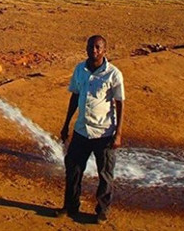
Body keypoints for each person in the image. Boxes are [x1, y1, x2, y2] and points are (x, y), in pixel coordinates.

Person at [57, 35, 125, 225]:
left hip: (104, 134)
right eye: (90, 46)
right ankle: (70, 206)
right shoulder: (80, 69)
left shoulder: (113, 74)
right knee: (73, 169)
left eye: (97, 47)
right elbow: (74, 97)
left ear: (104, 50)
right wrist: (66, 125)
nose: (93, 50)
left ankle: (102, 211)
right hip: (81, 131)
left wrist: (118, 134)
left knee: (105, 174)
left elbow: (120, 104)